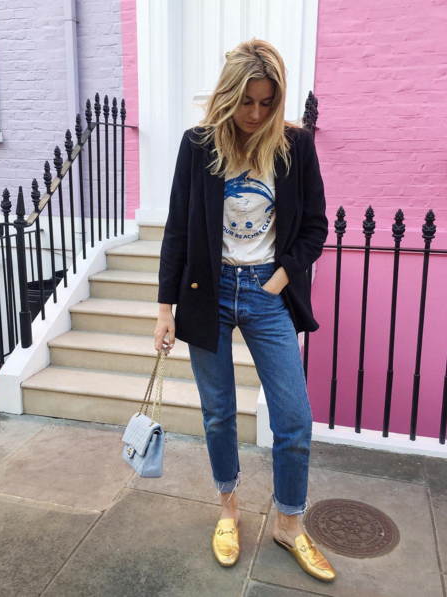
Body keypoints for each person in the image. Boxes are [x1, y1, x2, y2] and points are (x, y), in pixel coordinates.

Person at [154, 38, 335, 582]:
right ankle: (229, 510)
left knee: (294, 418)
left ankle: (289, 522)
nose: (256, 113)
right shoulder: (199, 145)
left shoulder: (295, 146)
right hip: (207, 291)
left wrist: (281, 277)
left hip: (265, 292)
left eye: (266, 102)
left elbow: (315, 226)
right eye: (246, 101)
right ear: (228, 95)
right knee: (218, 413)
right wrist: (164, 308)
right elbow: (178, 228)